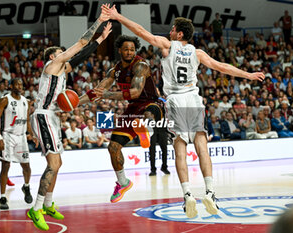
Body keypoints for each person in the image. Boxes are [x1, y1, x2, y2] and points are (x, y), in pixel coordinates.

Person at [103, 5, 265, 218]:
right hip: (194, 99)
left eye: (172, 29)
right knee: (202, 147)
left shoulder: (167, 46)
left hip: (175, 101)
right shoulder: (198, 53)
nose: (169, 31)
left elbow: (141, 32)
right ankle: (210, 191)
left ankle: (188, 194)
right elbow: (222, 67)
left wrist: (117, 17)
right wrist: (249, 75)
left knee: (180, 148)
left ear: (179, 33)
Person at [27, 7, 112, 230]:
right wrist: (98, 22)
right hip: (43, 116)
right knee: (53, 163)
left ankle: (47, 204)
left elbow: (82, 55)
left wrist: (101, 39)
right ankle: (35, 209)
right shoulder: (52, 65)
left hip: (52, 118)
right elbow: (80, 45)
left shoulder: (62, 71)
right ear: (53, 57)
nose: (66, 54)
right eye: (61, 52)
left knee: (58, 163)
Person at [78, 34, 165, 203]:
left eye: (132, 49)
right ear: (120, 50)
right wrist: (75, 103)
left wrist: (107, 95)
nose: (129, 52)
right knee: (113, 147)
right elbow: (98, 90)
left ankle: (147, 130)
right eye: (126, 49)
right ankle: (123, 182)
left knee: (148, 114)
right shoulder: (115, 71)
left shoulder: (140, 66)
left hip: (151, 103)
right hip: (132, 109)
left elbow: (135, 92)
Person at [0, 78, 38, 210]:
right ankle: (2, 197)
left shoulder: (25, 101)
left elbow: (27, 120)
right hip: (8, 136)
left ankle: (26, 186)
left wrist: (32, 134)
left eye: (21, 84)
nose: (20, 86)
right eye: (17, 84)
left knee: (27, 167)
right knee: (5, 166)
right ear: (11, 86)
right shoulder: (5, 99)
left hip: (21, 137)